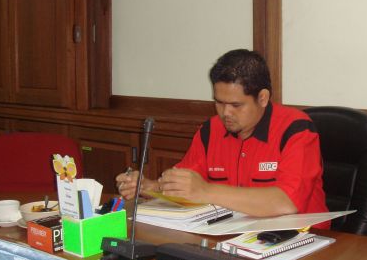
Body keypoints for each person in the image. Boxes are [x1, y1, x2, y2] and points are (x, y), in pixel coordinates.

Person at [116, 49, 328, 224]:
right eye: (219, 102)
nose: (226, 113)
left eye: (236, 105)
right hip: (233, 235)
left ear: (263, 98)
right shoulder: (211, 130)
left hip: (305, 240)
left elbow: (287, 202)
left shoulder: (296, 130)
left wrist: (206, 191)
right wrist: (149, 187)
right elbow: (186, 186)